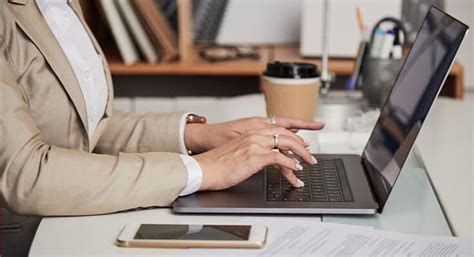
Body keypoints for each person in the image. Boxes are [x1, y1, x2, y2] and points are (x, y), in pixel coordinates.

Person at [0, 0, 324, 216]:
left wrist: (200, 136)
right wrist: (202, 170)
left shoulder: (64, 4)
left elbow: (86, 126)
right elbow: (25, 174)